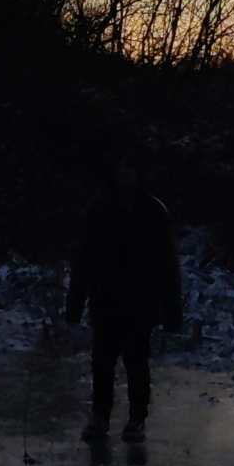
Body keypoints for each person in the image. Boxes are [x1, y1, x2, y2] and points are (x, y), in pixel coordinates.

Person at [66, 144, 184, 443]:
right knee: (102, 362)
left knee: (136, 361)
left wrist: (172, 309)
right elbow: (84, 259)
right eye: (121, 170)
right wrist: (75, 304)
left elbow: (167, 263)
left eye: (131, 170)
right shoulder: (100, 209)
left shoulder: (154, 212)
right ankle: (100, 417)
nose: (126, 176)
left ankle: (136, 419)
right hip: (105, 298)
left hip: (140, 300)